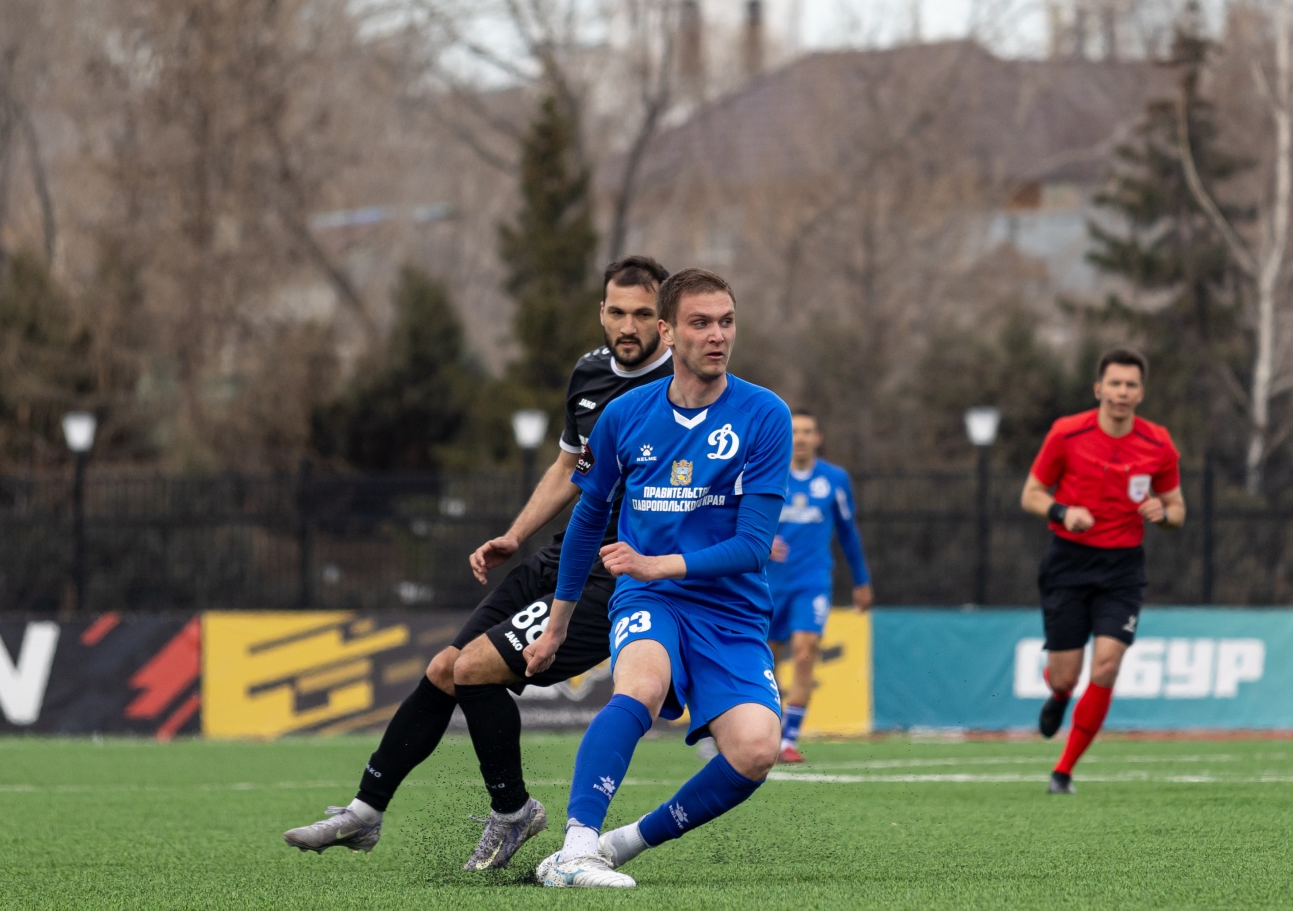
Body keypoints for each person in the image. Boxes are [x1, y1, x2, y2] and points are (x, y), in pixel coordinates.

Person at [282, 256, 673, 869]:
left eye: (643, 314)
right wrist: (515, 535)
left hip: (614, 578)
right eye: (617, 312)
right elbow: (569, 466)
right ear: (600, 311)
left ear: (665, 321)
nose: (628, 326)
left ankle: (513, 812)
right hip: (562, 553)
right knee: (446, 667)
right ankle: (365, 812)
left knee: (474, 669)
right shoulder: (589, 373)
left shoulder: (681, 386)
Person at [523, 268, 791, 889]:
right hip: (651, 597)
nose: (718, 335)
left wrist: (654, 561)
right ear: (668, 332)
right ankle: (575, 847)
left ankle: (622, 843)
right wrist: (557, 625)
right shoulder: (623, 415)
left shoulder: (764, 414)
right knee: (641, 686)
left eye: (726, 322)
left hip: (731, 611)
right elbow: (587, 519)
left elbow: (753, 547)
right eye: (701, 323)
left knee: (755, 750)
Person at [1019, 346, 1185, 794]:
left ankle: (1063, 772)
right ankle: (1058, 693)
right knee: (1066, 675)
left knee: (1107, 667)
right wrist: (1062, 511)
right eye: (1114, 383)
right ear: (1098, 389)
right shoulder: (1066, 433)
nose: (1122, 392)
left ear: (1141, 393)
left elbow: (1177, 509)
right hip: (1069, 562)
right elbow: (1031, 493)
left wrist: (1163, 513)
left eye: (1131, 385)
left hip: (1122, 569)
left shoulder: (1158, 443)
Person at [765, 409, 873, 764]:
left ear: (818, 438)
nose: (801, 438)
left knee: (805, 650)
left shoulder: (834, 479)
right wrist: (760, 543)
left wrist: (861, 580)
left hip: (811, 582)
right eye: (795, 431)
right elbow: (738, 517)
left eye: (808, 431)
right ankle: (760, 731)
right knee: (765, 659)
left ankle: (788, 739)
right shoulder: (767, 471)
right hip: (766, 581)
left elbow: (848, 532)